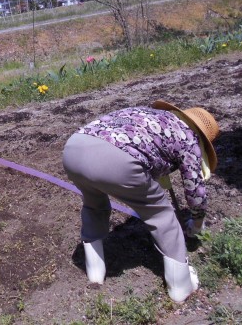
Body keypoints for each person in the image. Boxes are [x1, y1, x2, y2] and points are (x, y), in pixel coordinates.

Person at [62, 100, 219, 302]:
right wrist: (197, 222)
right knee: (160, 214)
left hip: (74, 148)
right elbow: (195, 191)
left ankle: (95, 275)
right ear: (203, 139)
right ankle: (181, 287)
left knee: (94, 206)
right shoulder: (189, 138)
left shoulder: (151, 114)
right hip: (115, 160)